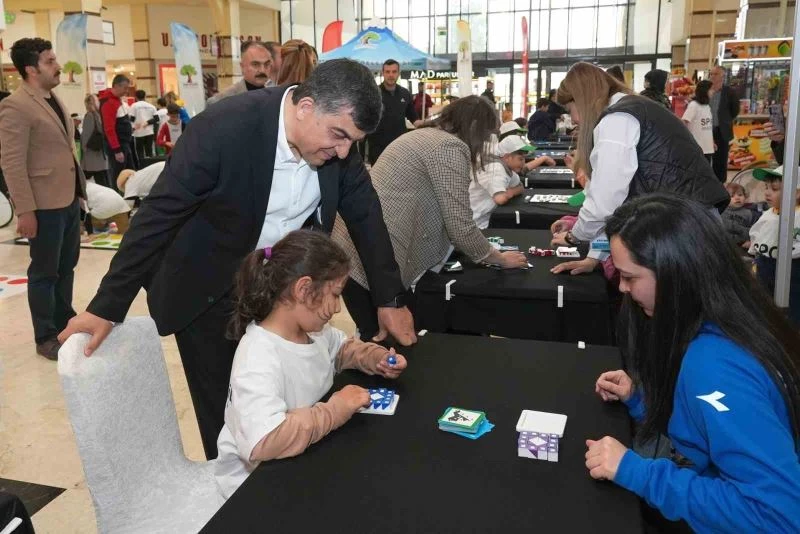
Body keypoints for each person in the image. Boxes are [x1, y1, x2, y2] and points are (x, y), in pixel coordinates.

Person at [59, 59, 416, 460]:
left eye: (353, 142)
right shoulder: (225, 128)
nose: (344, 151)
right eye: (339, 136)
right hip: (208, 289)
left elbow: (367, 217)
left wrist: (390, 299)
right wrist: (106, 307)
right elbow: (158, 216)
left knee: (286, 402)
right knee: (227, 424)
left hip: (277, 291)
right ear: (306, 107)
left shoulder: (336, 149)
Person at [587, 194, 800, 532]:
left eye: (629, 277)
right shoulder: (731, 323)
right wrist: (642, 401)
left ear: (675, 273)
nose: (623, 288)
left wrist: (635, 472)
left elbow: (777, 516)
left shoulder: (715, 368)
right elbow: (710, 427)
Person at [215, 230, 407, 499]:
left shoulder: (314, 332)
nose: (337, 308)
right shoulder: (257, 357)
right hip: (255, 485)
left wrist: (375, 358)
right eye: (335, 294)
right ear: (303, 290)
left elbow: (342, 349)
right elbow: (265, 441)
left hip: (304, 456)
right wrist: (334, 411)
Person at [332, 95, 528, 341]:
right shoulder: (449, 147)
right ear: (476, 127)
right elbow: (460, 225)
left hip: (357, 253)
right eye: (489, 134)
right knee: (387, 344)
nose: (489, 143)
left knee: (381, 340)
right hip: (369, 261)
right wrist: (500, 259)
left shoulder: (424, 136)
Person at [549, 62, 728, 275]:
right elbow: (615, 205)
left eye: (570, 110)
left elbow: (605, 201)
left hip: (684, 230)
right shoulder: (632, 109)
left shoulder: (617, 119)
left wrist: (575, 236)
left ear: (582, 100)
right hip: (689, 222)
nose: (574, 119)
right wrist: (594, 256)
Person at [0, 38, 87, 360]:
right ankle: (45, 335)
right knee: (44, 273)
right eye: (50, 61)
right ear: (31, 69)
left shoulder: (53, 99)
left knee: (67, 268)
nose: (58, 66)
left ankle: (65, 321)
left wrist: (79, 193)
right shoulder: (16, 106)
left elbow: (65, 151)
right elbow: (12, 163)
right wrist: (25, 211)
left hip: (67, 200)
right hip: (43, 206)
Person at [748, 165, 800, 325]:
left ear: (796, 192)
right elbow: (757, 234)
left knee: (793, 306)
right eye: (766, 187)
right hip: (765, 264)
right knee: (765, 302)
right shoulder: (768, 214)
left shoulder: (797, 216)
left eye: (775, 189)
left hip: (793, 269)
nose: (767, 192)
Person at [364, 59, 420, 165]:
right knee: (379, 175)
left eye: (394, 72)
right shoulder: (373, 94)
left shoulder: (405, 93)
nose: (391, 75)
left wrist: (426, 124)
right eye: (387, 72)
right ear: (383, 73)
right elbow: (365, 119)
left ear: (398, 73)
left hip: (400, 146)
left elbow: (414, 118)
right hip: (378, 148)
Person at [469, 135, 530, 229]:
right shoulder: (495, 169)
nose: (523, 163)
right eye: (520, 159)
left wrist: (511, 192)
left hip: (487, 217)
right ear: (507, 157)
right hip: (475, 223)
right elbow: (500, 199)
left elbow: (520, 187)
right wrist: (510, 193)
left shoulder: (506, 168)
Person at [207, 41, 272, 106]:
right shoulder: (220, 101)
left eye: (267, 64)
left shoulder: (275, 96)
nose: (262, 70)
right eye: (255, 64)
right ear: (242, 67)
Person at [99, 75, 135, 182]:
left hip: (124, 143)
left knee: (130, 173)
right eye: (125, 88)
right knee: (119, 176)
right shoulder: (109, 103)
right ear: (116, 86)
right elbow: (109, 129)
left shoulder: (117, 100)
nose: (127, 91)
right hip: (118, 145)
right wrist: (117, 150)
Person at [709, 66, 740, 182]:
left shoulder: (729, 92)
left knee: (721, 159)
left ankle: (720, 182)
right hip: (706, 130)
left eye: (716, 74)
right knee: (705, 157)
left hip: (721, 130)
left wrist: (725, 120)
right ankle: (706, 182)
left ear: (722, 76)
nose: (712, 76)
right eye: (711, 74)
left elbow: (735, 110)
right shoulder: (705, 90)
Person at [80, 93, 110, 188]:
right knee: (104, 177)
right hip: (101, 150)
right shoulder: (99, 114)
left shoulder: (89, 116)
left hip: (93, 152)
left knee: (98, 178)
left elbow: (86, 134)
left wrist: (83, 148)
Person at [682, 79, 714, 164]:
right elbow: (684, 122)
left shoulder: (707, 106)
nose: (713, 92)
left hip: (708, 148)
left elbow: (708, 127)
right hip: (697, 148)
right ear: (705, 90)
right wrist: (687, 141)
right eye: (711, 89)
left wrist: (712, 142)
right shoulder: (694, 105)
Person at [721, 182, 755, 248]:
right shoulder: (722, 212)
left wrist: (750, 241)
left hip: (743, 244)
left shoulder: (749, 213)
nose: (737, 198)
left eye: (740, 195)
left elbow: (753, 230)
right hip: (726, 244)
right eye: (732, 196)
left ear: (745, 196)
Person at [130, 89, 157, 160]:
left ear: (136, 97)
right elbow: (156, 119)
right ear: (145, 96)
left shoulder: (134, 106)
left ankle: (142, 165)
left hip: (138, 132)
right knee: (149, 151)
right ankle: (150, 165)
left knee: (139, 152)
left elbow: (132, 119)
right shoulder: (151, 106)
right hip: (149, 132)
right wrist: (148, 122)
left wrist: (132, 128)